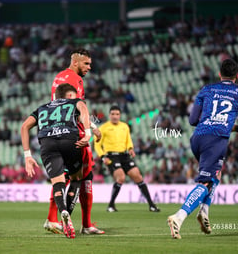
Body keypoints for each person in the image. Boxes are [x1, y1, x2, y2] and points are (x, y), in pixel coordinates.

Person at [167, 58, 238, 239]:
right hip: (216, 141)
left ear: (219, 74)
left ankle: (203, 212)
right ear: (237, 75)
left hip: (197, 138)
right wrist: (230, 123)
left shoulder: (206, 89)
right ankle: (179, 217)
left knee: (215, 176)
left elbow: (192, 121)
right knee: (205, 182)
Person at [44, 48, 105, 235]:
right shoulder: (75, 79)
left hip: (56, 129)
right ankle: (82, 223)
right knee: (84, 175)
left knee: (62, 177)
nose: (89, 67)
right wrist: (91, 128)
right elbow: (78, 108)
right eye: (86, 63)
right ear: (76, 62)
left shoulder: (59, 77)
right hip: (73, 130)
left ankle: (53, 218)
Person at [21, 83, 92, 239]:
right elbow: (84, 110)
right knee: (76, 178)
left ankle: (63, 211)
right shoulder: (75, 102)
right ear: (68, 96)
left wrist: (27, 155)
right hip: (69, 140)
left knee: (57, 182)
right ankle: (67, 215)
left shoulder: (42, 108)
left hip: (48, 144)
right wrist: (88, 134)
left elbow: (24, 127)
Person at [94, 105, 161, 213]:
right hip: (111, 156)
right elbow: (97, 145)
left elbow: (128, 140)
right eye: (113, 114)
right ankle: (111, 205)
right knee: (121, 177)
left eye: (117, 114)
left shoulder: (124, 126)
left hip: (124, 156)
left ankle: (151, 205)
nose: (115, 116)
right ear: (109, 115)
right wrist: (102, 157)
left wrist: (130, 148)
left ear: (120, 115)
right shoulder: (103, 128)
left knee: (138, 177)